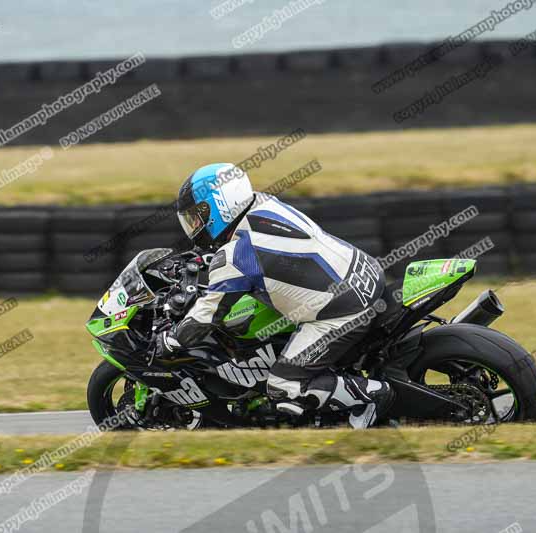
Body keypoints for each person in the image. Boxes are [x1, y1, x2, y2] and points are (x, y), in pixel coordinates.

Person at [154, 163, 394, 429]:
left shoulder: (237, 255)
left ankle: (374, 395)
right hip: (364, 270)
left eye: (198, 215)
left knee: (283, 385)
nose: (195, 225)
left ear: (221, 205)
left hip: (343, 309)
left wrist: (172, 340)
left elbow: (208, 316)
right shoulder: (262, 203)